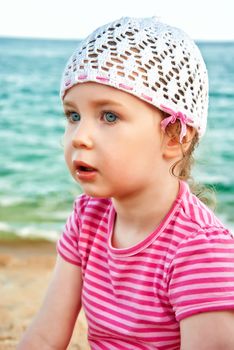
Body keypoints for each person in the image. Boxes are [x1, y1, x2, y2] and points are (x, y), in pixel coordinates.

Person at [17, 17, 234, 350]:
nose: (80, 137)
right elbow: (45, 337)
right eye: (73, 116)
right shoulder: (86, 218)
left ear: (175, 137)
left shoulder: (199, 251)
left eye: (109, 116)